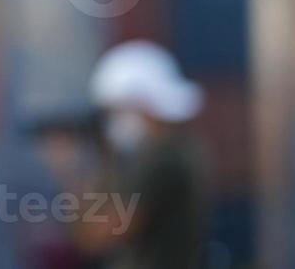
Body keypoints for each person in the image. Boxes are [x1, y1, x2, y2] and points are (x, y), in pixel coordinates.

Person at [45, 40, 210, 269]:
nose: (114, 122)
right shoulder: (164, 155)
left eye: (117, 110)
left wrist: (70, 173)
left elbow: (96, 236)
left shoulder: (163, 160)